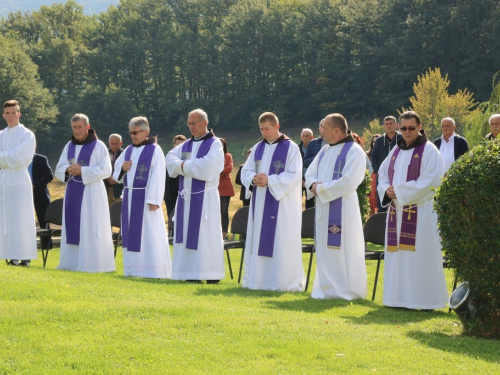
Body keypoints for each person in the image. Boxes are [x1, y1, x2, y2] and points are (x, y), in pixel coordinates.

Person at [377, 111, 448, 310]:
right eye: (403, 128)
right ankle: (397, 299)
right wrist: (387, 190)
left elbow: (432, 180)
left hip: (421, 214)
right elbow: (382, 175)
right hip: (396, 213)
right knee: (398, 256)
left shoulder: (429, 150)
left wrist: (398, 191)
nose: (407, 132)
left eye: (411, 128)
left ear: (419, 127)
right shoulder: (396, 151)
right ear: (398, 128)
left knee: (420, 257)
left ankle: (423, 301)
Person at [305, 114, 367, 300]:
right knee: (325, 247)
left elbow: (350, 181)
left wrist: (320, 188)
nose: (321, 131)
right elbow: (309, 173)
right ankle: (326, 289)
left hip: (344, 209)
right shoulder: (324, 150)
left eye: (324, 128)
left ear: (337, 130)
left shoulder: (354, 151)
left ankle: (347, 290)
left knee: (344, 248)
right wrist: (313, 185)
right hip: (324, 208)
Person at [241, 112, 305, 292]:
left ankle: (283, 283)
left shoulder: (291, 148)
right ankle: (258, 281)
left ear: (277, 126)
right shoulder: (257, 148)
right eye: (261, 129)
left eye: (267, 129)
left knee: (280, 241)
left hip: (281, 205)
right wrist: (254, 178)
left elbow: (294, 175)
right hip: (260, 203)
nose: (264, 133)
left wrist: (270, 180)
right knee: (259, 237)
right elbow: (245, 172)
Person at [166, 108, 225, 284]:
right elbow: (169, 159)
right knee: (186, 235)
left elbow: (207, 167)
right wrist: (189, 165)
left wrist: (182, 166)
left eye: (194, 123)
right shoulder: (185, 145)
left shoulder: (215, 144)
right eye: (189, 124)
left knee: (206, 237)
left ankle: (210, 274)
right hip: (186, 198)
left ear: (205, 123)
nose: (191, 127)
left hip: (205, 198)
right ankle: (189, 273)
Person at [55, 114, 115, 272]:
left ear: (87, 127)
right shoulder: (69, 146)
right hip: (72, 191)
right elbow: (59, 168)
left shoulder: (99, 146)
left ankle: (94, 263)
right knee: (73, 223)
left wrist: (83, 170)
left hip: (92, 192)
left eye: (80, 127)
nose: (77, 131)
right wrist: (68, 169)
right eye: (74, 127)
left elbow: (106, 170)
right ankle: (71, 263)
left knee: (90, 224)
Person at [114, 117, 171, 279]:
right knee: (131, 233)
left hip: (146, 198)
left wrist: (154, 199)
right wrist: (122, 169)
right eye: (130, 132)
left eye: (135, 132)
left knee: (149, 234)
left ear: (146, 132)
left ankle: (153, 270)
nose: (132, 136)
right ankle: (133, 270)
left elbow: (159, 175)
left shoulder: (154, 149)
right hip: (130, 197)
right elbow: (116, 173)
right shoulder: (128, 150)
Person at [0, 100, 37, 267]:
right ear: (3, 115)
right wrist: (9, 157)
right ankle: (11, 255)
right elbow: (12, 157)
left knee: (21, 217)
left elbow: (19, 159)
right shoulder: (1, 135)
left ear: (19, 114)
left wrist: (5, 157)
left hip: (19, 179)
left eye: (13, 112)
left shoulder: (27, 134)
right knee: (7, 217)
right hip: (4, 179)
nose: (10, 116)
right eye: (7, 113)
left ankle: (25, 256)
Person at [370, 116, 402, 213]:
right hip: (382, 178)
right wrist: (377, 171)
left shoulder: (401, 139)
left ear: (396, 125)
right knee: (382, 204)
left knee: (397, 202)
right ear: (384, 126)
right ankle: (382, 226)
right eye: (386, 124)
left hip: (398, 177)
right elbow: (373, 157)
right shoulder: (380, 140)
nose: (388, 126)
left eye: (391, 124)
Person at [30, 152, 54, 249]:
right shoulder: (17, 160)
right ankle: (27, 246)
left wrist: (34, 185)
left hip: (40, 194)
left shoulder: (41, 159)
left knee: (44, 222)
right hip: (21, 193)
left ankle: (47, 246)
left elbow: (49, 176)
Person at [164, 135, 187, 217]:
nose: (179, 146)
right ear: (174, 145)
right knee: (171, 217)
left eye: (182, 144)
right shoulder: (167, 159)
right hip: (170, 194)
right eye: (177, 144)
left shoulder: (189, 161)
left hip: (184, 192)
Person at [218, 138, 235, 239]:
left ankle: (224, 233)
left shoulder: (228, 156)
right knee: (214, 211)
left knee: (224, 211)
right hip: (215, 186)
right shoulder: (212, 156)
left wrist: (219, 172)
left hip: (225, 186)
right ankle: (215, 232)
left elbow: (229, 168)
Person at [104, 133, 124, 206]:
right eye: (112, 143)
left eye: (116, 144)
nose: (114, 146)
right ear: (108, 142)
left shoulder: (125, 154)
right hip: (106, 187)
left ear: (121, 143)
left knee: (118, 211)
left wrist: (116, 178)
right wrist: (107, 178)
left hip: (119, 188)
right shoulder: (104, 154)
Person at [299, 128, 314, 209]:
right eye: (303, 136)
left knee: (310, 205)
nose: (305, 138)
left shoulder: (314, 149)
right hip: (299, 181)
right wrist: (300, 179)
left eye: (307, 136)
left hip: (311, 180)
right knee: (297, 204)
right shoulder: (296, 149)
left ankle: (309, 221)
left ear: (312, 137)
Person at [366, 134, 381, 217]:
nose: (375, 143)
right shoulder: (368, 155)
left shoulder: (382, 153)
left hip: (380, 179)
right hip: (371, 180)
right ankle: (372, 222)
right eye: (374, 141)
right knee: (371, 203)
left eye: (377, 141)